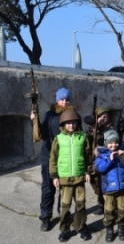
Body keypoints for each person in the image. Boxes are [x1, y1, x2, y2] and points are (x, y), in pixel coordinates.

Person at [31, 87, 75, 232]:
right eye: (62, 99)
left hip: (67, 157)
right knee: (48, 188)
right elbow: (42, 135)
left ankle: (64, 214)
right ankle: (45, 217)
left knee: (66, 189)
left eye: (67, 99)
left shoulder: (73, 115)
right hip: (49, 157)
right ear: (57, 100)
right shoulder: (49, 115)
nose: (64, 102)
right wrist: (35, 121)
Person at [49, 110, 92, 242]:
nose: (71, 125)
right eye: (68, 123)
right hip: (64, 178)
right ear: (63, 124)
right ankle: (65, 230)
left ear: (77, 123)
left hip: (79, 177)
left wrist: (88, 171)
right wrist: (54, 176)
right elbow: (53, 158)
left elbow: (88, 156)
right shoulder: (58, 139)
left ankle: (80, 228)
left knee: (80, 205)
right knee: (66, 206)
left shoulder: (83, 137)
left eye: (73, 122)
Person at [95, 130, 124, 242]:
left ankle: (121, 227)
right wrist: (110, 160)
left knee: (122, 208)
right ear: (106, 143)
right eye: (110, 143)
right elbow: (100, 168)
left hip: (122, 188)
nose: (113, 145)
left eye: (115, 142)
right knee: (109, 209)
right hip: (108, 189)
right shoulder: (101, 155)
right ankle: (109, 228)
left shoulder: (123, 153)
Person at [85, 107, 114, 216]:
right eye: (101, 116)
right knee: (95, 184)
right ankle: (101, 203)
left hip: (104, 160)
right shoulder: (91, 129)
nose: (103, 119)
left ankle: (107, 205)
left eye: (105, 117)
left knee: (104, 184)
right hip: (92, 161)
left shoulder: (108, 129)